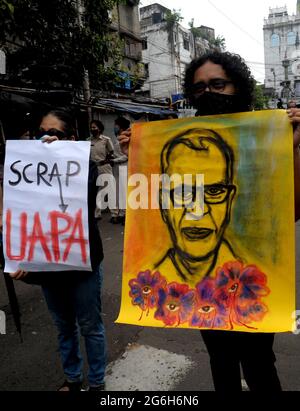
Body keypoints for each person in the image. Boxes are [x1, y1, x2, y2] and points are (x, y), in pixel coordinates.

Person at [118, 50, 300, 392]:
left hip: (255, 279)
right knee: (221, 359)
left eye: (218, 84)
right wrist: (139, 157)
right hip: (202, 288)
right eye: (200, 87)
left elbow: (291, 210)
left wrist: (290, 148)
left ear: (237, 86)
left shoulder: (265, 135)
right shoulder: (176, 136)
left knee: (260, 363)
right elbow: (150, 202)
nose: (209, 93)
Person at [9, 109, 106, 391]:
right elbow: (22, 217)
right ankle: (73, 379)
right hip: (48, 267)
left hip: (81, 263)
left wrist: (62, 158)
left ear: (71, 139)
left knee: (90, 326)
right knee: (64, 328)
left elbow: (84, 204)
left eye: (54, 133)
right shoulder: (25, 167)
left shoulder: (84, 167)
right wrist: (20, 258)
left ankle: (98, 383)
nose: (45, 138)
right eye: (40, 132)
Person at [155, 128, 238, 287]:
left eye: (213, 191)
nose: (197, 210)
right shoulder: (148, 282)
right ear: (164, 204)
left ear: (230, 201)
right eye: (183, 192)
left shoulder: (251, 280)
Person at [88, 120, 117, 222]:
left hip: (105, 167)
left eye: (94, 127)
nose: (93, 129)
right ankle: (97, 214)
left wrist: (107, 160)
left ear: (99, 128)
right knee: (96, 191)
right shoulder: (88, 141)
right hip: (93, 169)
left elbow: (112, 153)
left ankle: (114, 214)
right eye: (91, 127)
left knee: (110, 189)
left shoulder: (106, 140)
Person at [112, 116, 130, 224]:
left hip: (124, 166)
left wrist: (115, 160)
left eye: (116, 125)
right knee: (119, 191)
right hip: (117, 169)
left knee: (125, 191)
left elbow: (126, 156)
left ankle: (126, 215)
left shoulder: (127, 138)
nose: (114, 127)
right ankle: (121, 214)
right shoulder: (116, 139)